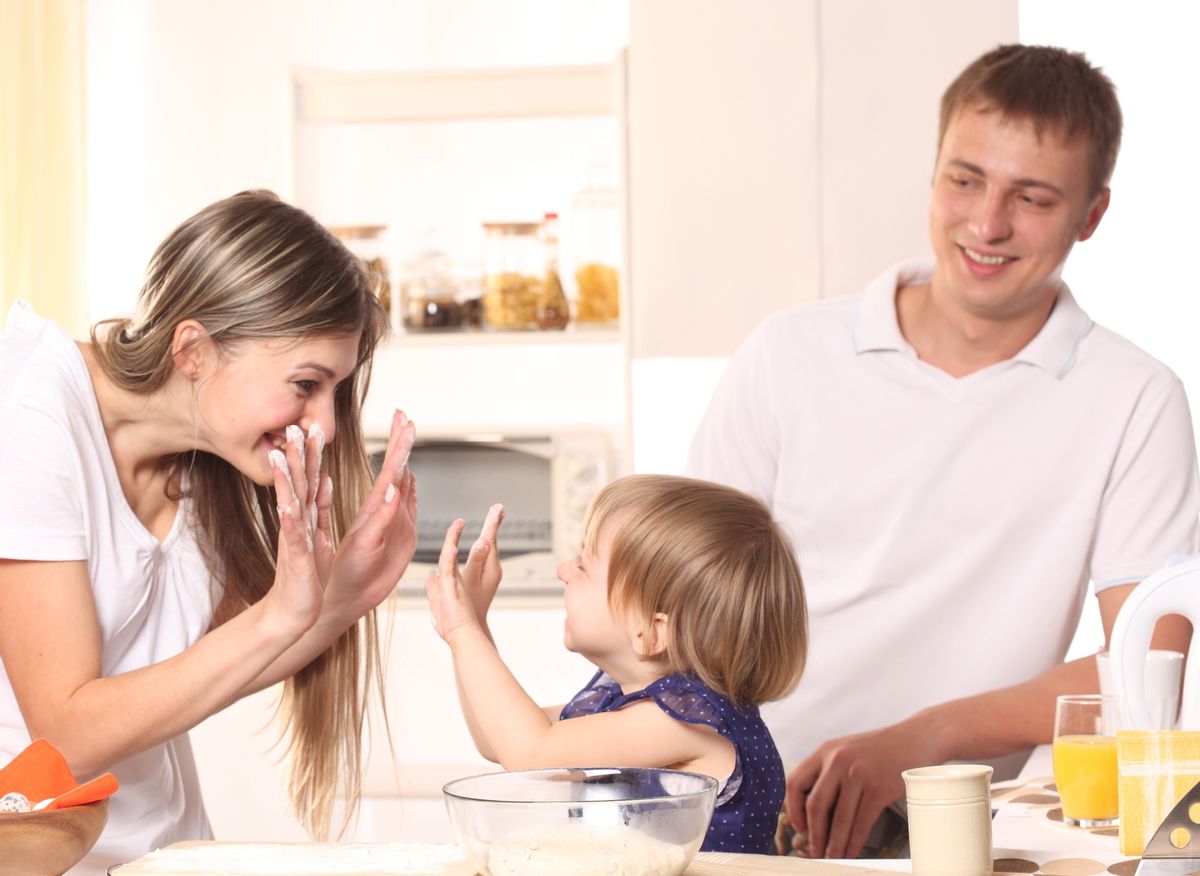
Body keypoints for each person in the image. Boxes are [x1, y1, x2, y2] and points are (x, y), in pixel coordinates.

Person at [686, 44, 1200, 860]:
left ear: (1091, 215)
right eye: (965, 180)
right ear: (933, 172)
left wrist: (919, 741)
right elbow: (678, 602)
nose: (987, 224)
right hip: (747, 811)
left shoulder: (1136, 398)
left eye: (1031, 198)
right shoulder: (786, 354)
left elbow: (1151, 666)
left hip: (964, 830)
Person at [0, 190, 420, 873]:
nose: (327, 426)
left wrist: (343, 595)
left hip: (163, 853)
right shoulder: (27, 411)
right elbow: (65, 735)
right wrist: (283, 616)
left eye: (336, 392)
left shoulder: (214, 466)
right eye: (307, 384)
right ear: (194, 348)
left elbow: (199, 676)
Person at [425, 475, 809, 854]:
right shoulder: (626, 707)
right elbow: (497, 741)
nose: (563, 570)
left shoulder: (683, 724)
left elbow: (530, 753)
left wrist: (463, 630)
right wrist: (474, 627)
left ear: (651, 632)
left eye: (584, 566)